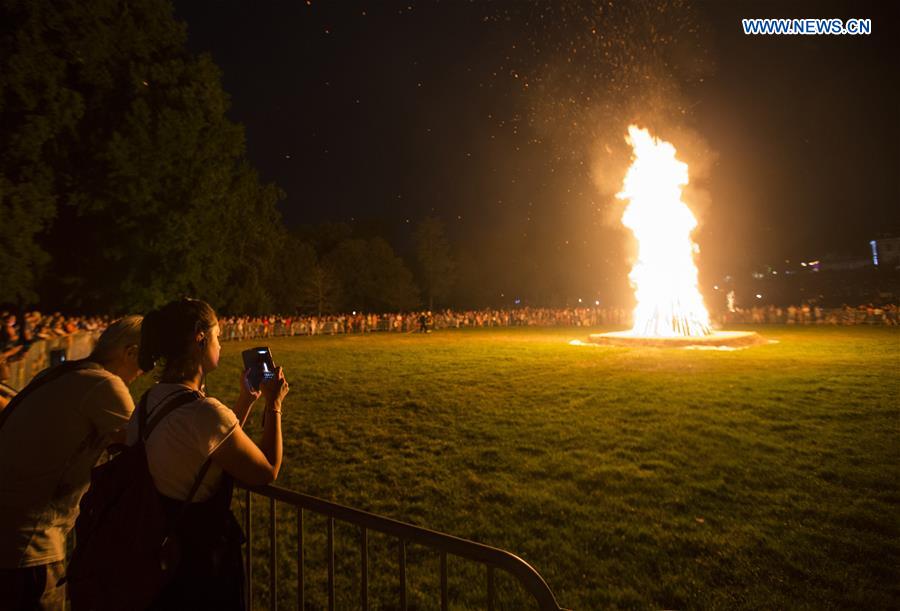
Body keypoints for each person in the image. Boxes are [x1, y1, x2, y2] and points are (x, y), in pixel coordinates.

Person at [130, 298, 288, 610]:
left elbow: (207, 448)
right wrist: (274, 403)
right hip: (200, 565)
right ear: (200, 339)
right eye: (217, 336)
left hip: (159, 556)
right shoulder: (204, 413)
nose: (221, 345)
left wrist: (245, 401)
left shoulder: (148, 403)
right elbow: (267, 469)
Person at [0, 316, 143, 610]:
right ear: (129, 352)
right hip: (30, 545)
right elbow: (148, 449)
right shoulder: (105, 385)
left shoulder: (59, 373)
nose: (147, 369)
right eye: (148, 357)